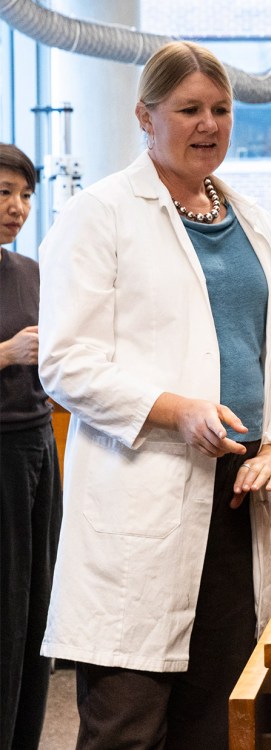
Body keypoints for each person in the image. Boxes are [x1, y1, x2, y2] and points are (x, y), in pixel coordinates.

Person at [37, 41, 271, 747]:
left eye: (220, 110)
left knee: (216, 720)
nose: (208, 124)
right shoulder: (101, 214)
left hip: (234, 495)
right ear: (145, 115)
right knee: (127, 724)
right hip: (145, 494)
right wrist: (177, 408)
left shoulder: (249, 219)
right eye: (188, 109)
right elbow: (67, 361)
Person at [1, 143, 62, 750]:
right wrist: (4, 354)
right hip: (0, 451)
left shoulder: (29, 271)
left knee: (41, 608)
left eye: (23, 196)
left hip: (40, 441)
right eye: (2, 194)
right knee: (5, 611)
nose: (16, 208)